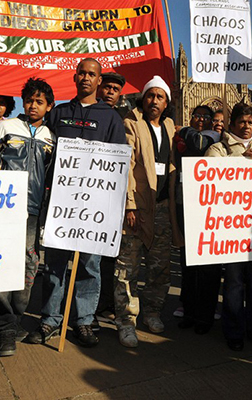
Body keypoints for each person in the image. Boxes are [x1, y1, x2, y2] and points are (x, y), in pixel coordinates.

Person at [26, 58, 126, 348]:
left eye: (92, 74)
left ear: (98, 81)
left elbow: (118, 163)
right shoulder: (59, 113)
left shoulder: (111, 118)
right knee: (55, 264)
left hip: (94, 206)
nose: (86, 78)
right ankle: (49, 320)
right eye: (82, 72)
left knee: (89, 266)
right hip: (61, 204)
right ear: (75, 77)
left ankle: (83, 321)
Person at [0, 78, 55, 357]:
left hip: (34, 211)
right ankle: (4, 328)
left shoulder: (50, 136)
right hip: (4, 208)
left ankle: (16, 318)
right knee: (3, 264)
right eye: (30, 100)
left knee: (28, 266)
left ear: (49, 106)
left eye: (40, 101)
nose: (33, 105)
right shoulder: (4, 127)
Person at [206, 103, 252, 351]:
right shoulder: (218, 149)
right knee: (234, 283)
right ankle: (234, 331)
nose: (247, 127)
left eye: (251, 122)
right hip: (230, 231)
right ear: (232, 124)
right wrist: (239, 161)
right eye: (242, 122)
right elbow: (208, 181)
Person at [114, 76, 176, 348]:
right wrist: (129, 204)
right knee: (127, 268)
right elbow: (127, 165)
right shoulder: (131, 123)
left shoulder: (171, 126)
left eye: (160, 97)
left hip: (163, 207)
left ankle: (152, 312)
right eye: (150, 95)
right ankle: (126, 321)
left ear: (166, 103)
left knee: (160, 266)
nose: (154, 101)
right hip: (137, 208)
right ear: (143, 98)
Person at [171, 105, 222, 334]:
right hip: (187, 205)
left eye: (205, 117)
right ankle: (190, 310)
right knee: (188, 263)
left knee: (209, 267)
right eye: (197, 116)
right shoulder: (185, 139)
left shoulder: (214, 138)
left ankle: (205, 316)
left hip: (210, 209)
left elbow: (199, 143)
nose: (201, 120)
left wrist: (182, 129)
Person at [95, 71, 127, 321]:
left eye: (115, 89)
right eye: (107, 87)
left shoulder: (122, 119)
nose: (109, 92)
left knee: (107, 258)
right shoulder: (84, 112)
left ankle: (102, 305)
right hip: (80, 193)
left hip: (110, 197)